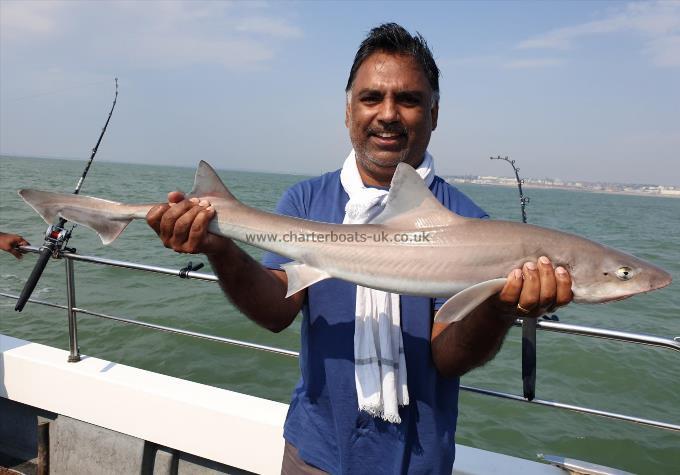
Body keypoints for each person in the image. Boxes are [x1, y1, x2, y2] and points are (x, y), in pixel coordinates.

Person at [147, 23, 572, 474]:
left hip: (418, 461)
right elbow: (277, 311)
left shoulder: (469, 226)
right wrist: (220, 249)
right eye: (371, 98)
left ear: (434, 112)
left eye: (408, 100)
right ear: (348, 111)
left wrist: (501, 307)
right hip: (314, 450)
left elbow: (447, 357)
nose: (388, 114)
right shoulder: (307, 203)